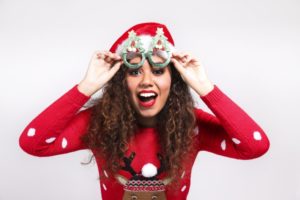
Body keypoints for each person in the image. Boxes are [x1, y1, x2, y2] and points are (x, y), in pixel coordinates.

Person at [19, 22, 270, 200]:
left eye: (159, 71)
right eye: (135, 71)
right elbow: (33, 143)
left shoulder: (191, 125)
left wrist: (205, 87)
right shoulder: (98, 123)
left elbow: (255, 146)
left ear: (175, 80)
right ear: (120, 82)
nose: (147, 81)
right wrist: (86, 87)